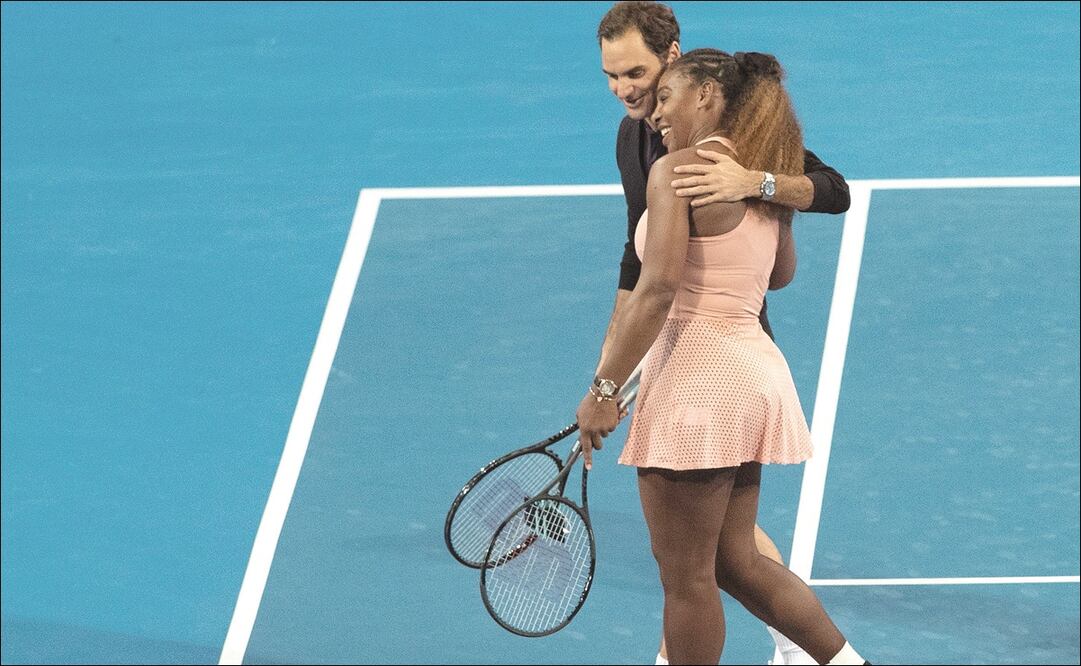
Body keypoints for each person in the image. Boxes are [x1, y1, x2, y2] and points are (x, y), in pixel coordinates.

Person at [577, 46, 868, 666]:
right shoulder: (763, 171)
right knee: (736, 561)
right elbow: (779, 276)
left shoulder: (676, 172)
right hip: (753, 372)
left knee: (686, 581)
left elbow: (654, 291)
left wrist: (605, 390)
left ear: (706, 95)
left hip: (697, 380)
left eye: (666, 96)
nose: (653, 110)